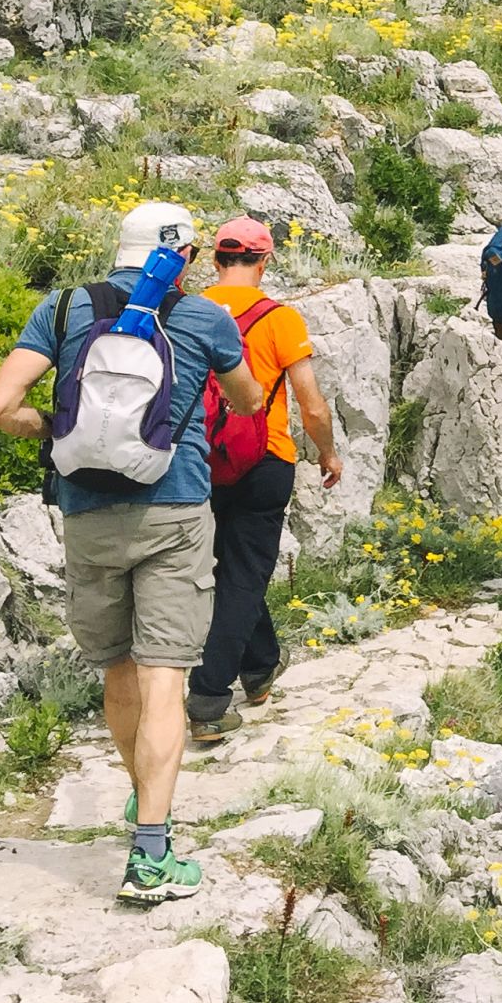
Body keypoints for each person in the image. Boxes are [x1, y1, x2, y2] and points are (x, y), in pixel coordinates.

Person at [0, 202, 262, 905]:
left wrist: (54, 428)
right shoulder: (202, 317)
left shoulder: (67, 308)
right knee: (167, 676)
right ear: (187, 257)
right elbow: (248, 399)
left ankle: (144, 796)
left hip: (87, 515)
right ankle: (153, 854)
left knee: (120, 672)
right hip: (174, 512)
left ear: (119, 249)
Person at [187, 217, 342, 749]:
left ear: (215, 260)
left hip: (198, 461)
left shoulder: (187, 312)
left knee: (230, 569)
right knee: (245, 576)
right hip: (264, 458)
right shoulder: (280, 319)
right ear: (266, 259)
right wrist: (326, 452)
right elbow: (311, 403)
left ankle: (259, 669)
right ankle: (208, 699)